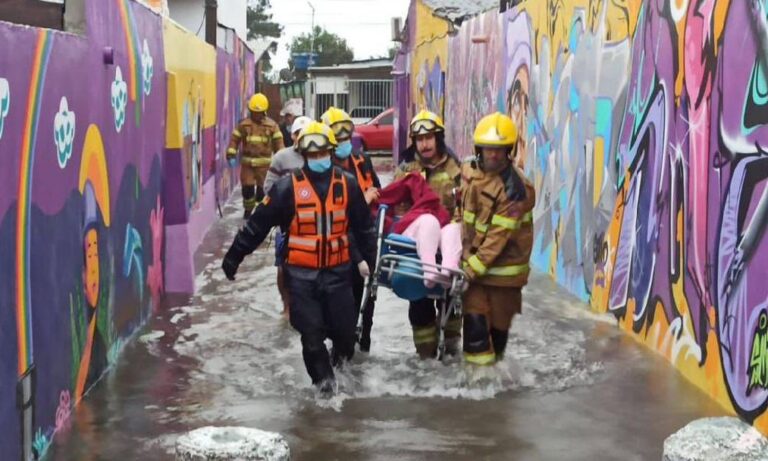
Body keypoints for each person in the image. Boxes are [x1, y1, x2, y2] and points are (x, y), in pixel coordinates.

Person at [221, 121, 376, 396]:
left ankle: (339, 372)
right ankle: (326, 393)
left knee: (345, 337)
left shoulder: (348, 185)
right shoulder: (286, 189)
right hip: (302, 278)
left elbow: (364, 228)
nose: (318, 159)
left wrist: (372, 264)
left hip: (339, 274)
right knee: (312, 337)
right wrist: (234, 256)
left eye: (322, 153)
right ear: (303, 155)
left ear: (330, 152)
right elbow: (257, 225)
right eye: (312, 155)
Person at [460, 112, 535, 366]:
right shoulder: (471, 171)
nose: (493, 155)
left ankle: (492, 390)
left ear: (509, 150)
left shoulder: (516, 189)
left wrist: (468, 271)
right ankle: (478, 390)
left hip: (504, 277)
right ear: (478, 148)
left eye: (499, 150)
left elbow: (496, 239)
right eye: (488, 149)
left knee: (497, 337)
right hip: (476, 271)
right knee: (474, 332)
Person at [394, 109, 463, 359]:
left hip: (448, 247)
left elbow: (464, 210)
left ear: (438, 138)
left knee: (453, 304)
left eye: (429, 138)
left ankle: (452, 352)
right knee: (420, 304)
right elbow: (398, 212)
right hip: (417, 249)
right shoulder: (406, 170)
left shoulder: (456, 170)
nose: (424, 144)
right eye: (419, 139)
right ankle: (425, 361)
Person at [321, 106, 381, 352]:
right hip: (341, 246)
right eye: (339, 138)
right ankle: (340, 351)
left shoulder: (362, 160)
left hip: (366, 238)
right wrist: (362, 201)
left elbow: (377, 189)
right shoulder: (325, 171)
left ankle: (364, 344)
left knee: (368, 298)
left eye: (348, 136)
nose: (345, 142)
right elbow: (336, 214)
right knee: (343, 304)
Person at [264, 115, 312, 320]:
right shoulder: (281, 158)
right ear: (292, 135)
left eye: (306, 134)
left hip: (313, 223)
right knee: (283, 267)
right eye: (298, 134)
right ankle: (287, 307)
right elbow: (268, 187)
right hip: (287, 223)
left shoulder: (320, 156)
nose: (301, 138)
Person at [226, 93, 284, 219]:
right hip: (248, 165)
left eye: (258, 112)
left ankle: (259, 213)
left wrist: (282, 160)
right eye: (254, 112)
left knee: (262, 191)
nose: (256, 115)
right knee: (247, 190)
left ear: (264, 112)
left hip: (265, 166)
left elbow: (279, 143)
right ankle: (248, 211)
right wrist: (231, 153)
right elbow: (235, 139)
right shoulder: (244, 125)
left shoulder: (272, 126)